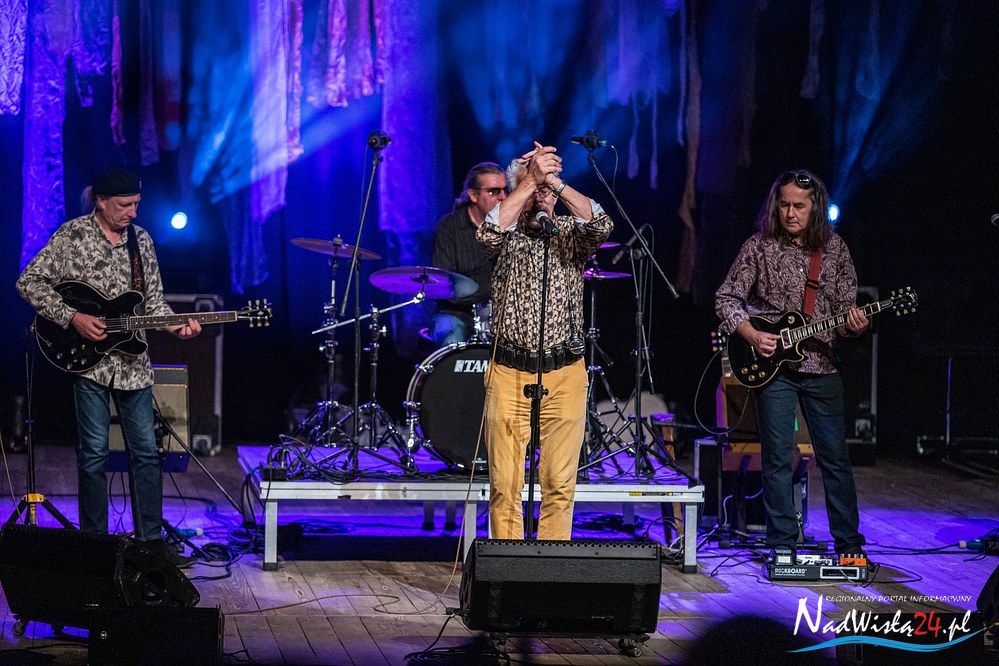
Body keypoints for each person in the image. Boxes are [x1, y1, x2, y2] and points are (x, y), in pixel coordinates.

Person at [17, 168, 202, 563]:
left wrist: (177, 326)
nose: (133, 212)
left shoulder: (142, 241)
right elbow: (28, 281)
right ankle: (95, 549)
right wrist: (73, 317)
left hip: (134, 365)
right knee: (93, 456)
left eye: (136, 204)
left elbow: (154, 304)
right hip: (89, 365)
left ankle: (151, 545)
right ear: (101, 201)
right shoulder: (72, 235)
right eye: (125, 205)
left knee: (146, 453)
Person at [715, 169, 868, 559]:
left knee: (835, 458)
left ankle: (849, 544)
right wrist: (751, 334)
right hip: (773, 368)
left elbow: (844, 313)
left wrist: (854, 325)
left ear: (815, 207)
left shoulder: (835, 250)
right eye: (783, 205)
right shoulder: (758, 247)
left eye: (799, 206)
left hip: (822, 366)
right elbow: (726, 299)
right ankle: (782, 545)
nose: (790, 213)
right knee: (777, 457)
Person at [477, 141, 612, 540]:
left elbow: (602, 224)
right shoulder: (506, 236)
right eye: (534, 187)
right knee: (505, 486)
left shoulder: (569, 233)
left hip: (565, 372)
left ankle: (550, 567)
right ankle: (507, 568)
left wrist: (554, 182)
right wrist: (529, 181)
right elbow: (487, 232)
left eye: (546, 189)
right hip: (509, 371)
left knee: (559, 485)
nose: (541, 195)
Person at [431, 162, 508, 346]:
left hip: (502, 313)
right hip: (457, 313)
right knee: (448, 334)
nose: (503, 197)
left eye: (505, 190)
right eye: (494, 191)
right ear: (473, 194)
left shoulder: (511, 227)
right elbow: (444, 285)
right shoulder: (449, 228)